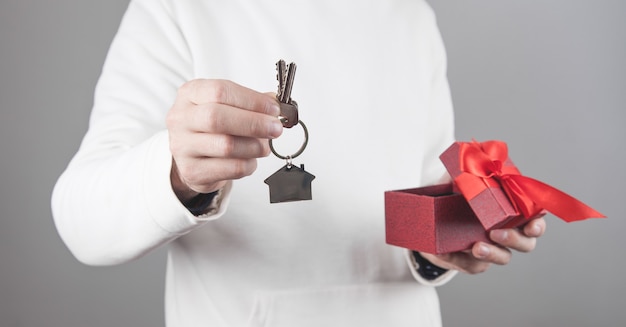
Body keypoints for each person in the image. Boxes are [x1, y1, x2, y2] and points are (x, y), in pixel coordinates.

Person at [51, 0, 545, 326]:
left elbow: (413, 195)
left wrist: (442, 238)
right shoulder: (178, 8)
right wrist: (177, 171)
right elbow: (83, 224)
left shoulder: (410, 13)